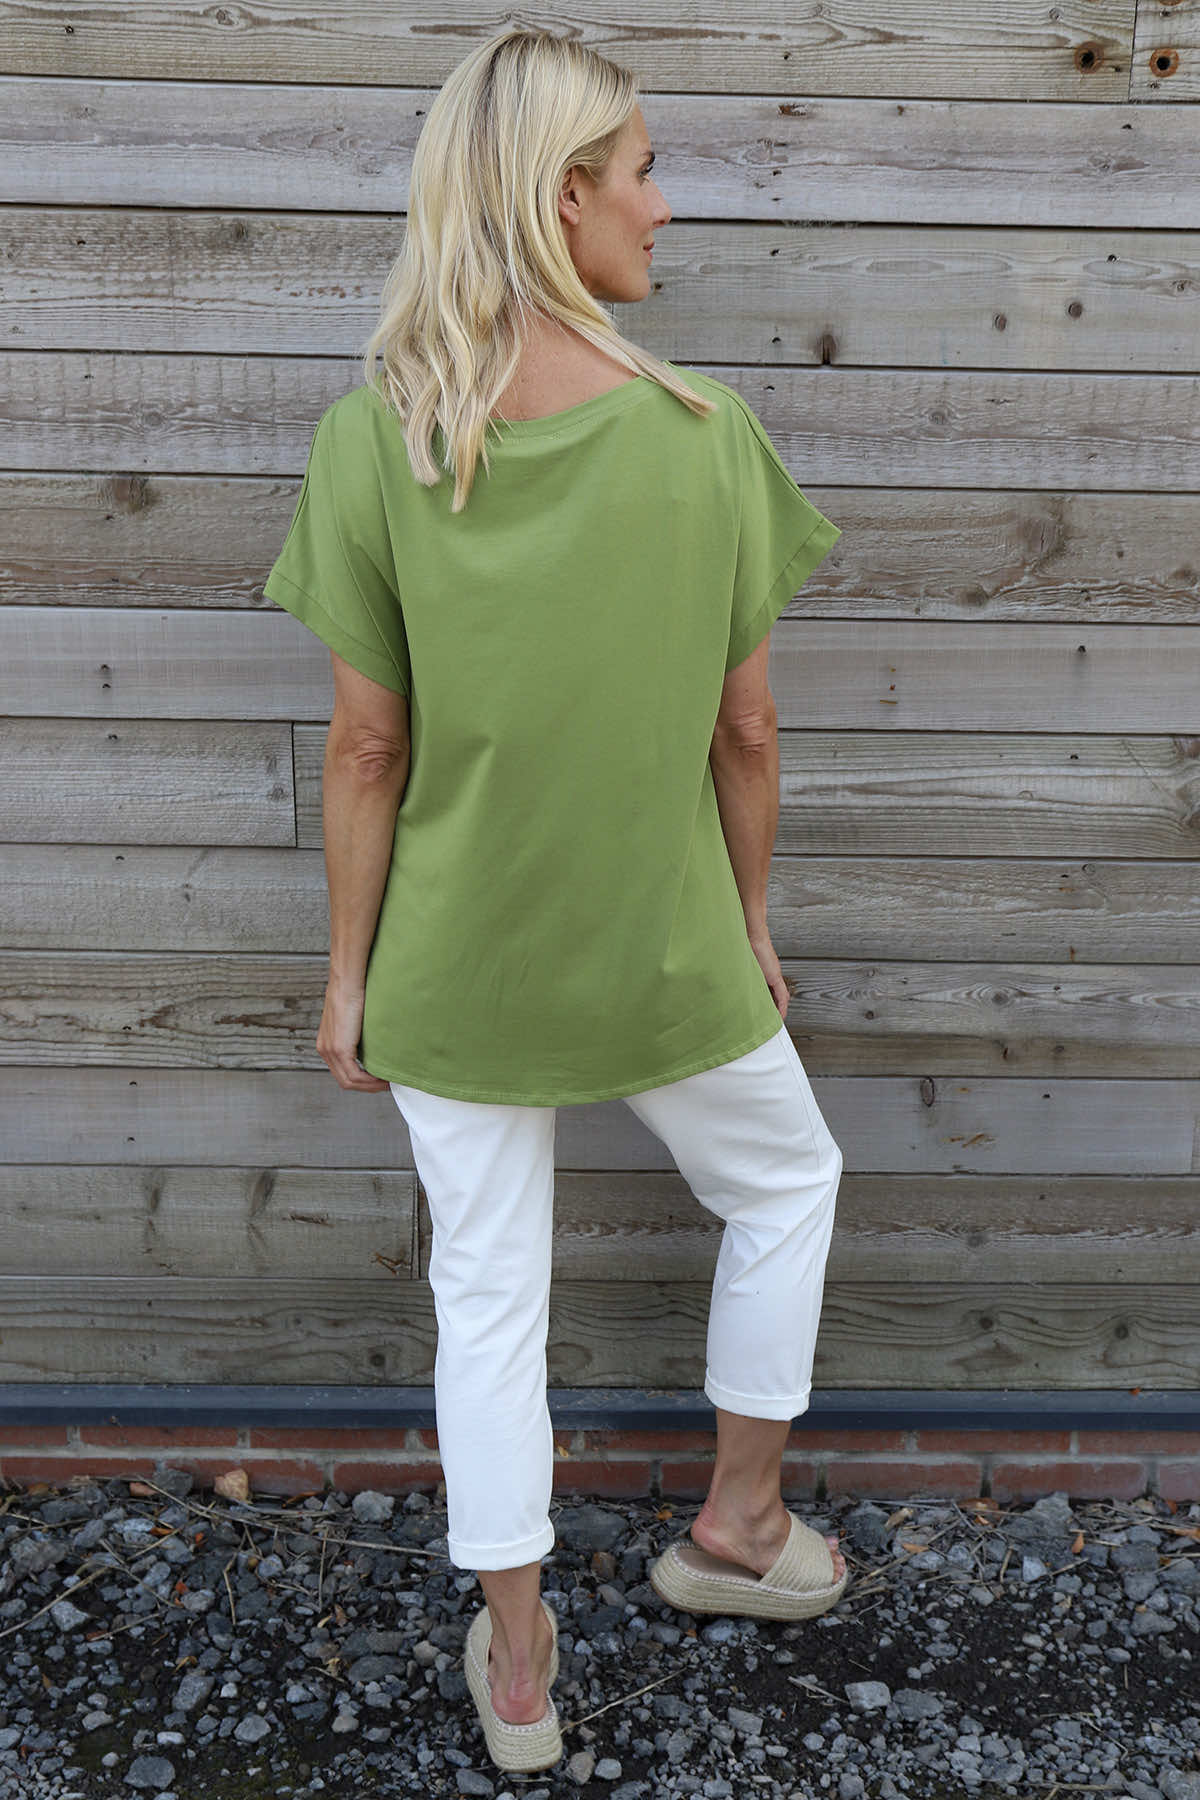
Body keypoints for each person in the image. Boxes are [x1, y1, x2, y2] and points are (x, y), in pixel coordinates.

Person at [263, 25, 849, 1777]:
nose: (666, 208)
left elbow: (368, 749)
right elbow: (747, 731)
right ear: (563, 194)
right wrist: (749, 921)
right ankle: (739, 1524)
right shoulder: (704, 437)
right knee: (786, 1180)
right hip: (663, 951)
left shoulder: (376, 443)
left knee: (489, 1294)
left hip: (458, 967)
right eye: (645, 172)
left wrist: (349, 974)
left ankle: (519, 1668)